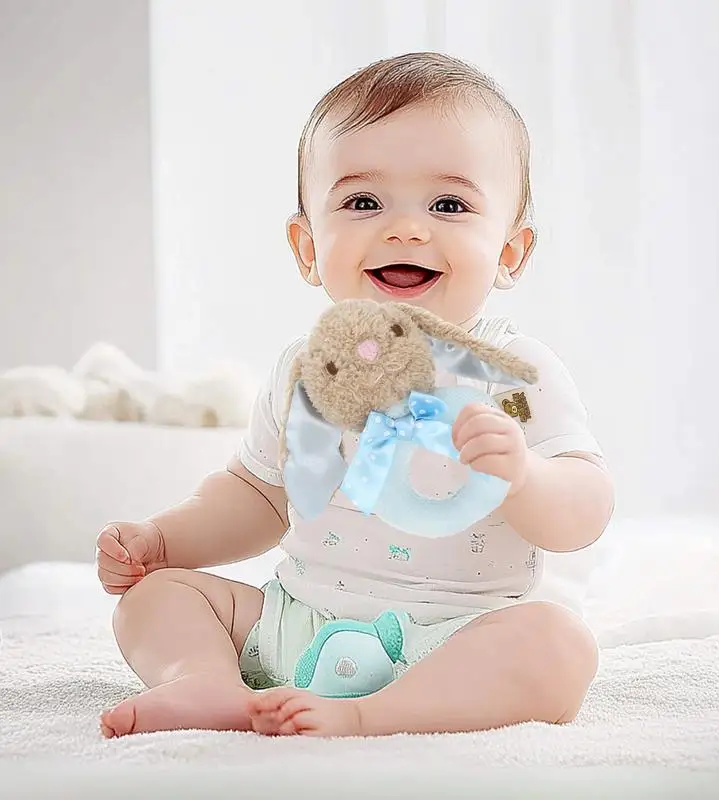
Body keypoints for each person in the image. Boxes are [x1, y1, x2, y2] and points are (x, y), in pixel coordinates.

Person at [96, 51, 614, 739]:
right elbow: (257, 496)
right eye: (363, 202)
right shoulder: (305, 369)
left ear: (511, 252)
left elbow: (586, 510)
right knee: (154, 599)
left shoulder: (513, 373)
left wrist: (526, 474)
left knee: (558, 648)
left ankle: (370, 715)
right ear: (307, 246)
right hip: (295, 625)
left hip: (454, 641)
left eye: (449, 204)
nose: (404, 228)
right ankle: (207, 683)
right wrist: (167, 538)